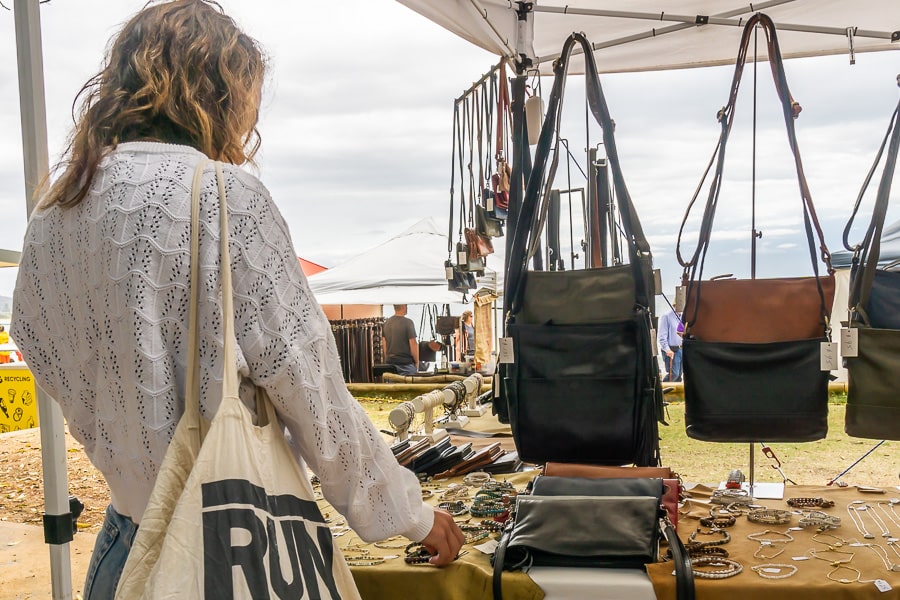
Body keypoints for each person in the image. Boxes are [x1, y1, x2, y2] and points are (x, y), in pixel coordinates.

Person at [10, 2, 463, 597]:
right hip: (232, 546)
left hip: (128, 548)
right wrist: (411, 516)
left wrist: (121, 445)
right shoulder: (227, 199)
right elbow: (314, 397)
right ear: (223, 93)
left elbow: (35, 338)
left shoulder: (57, 207)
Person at [382, 304, 419, 376]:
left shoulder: (386, 323)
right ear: (403, 306)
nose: (407, 308)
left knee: (392, 386)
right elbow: (413, 344)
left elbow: (384, 344)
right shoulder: (408, 323)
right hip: (405, 364)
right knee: (408, 387)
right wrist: (417, 362)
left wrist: (388, 359)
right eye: (406, 306)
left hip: (390, 364)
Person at [658, 299, 684, 382]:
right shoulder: (666, 316)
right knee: (674, 374)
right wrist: (667, 350)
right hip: (672, 350)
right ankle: (661, 390)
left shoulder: (683, 316)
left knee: (679, 375)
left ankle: (674, 394)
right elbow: (662, 336)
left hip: (680, 349)